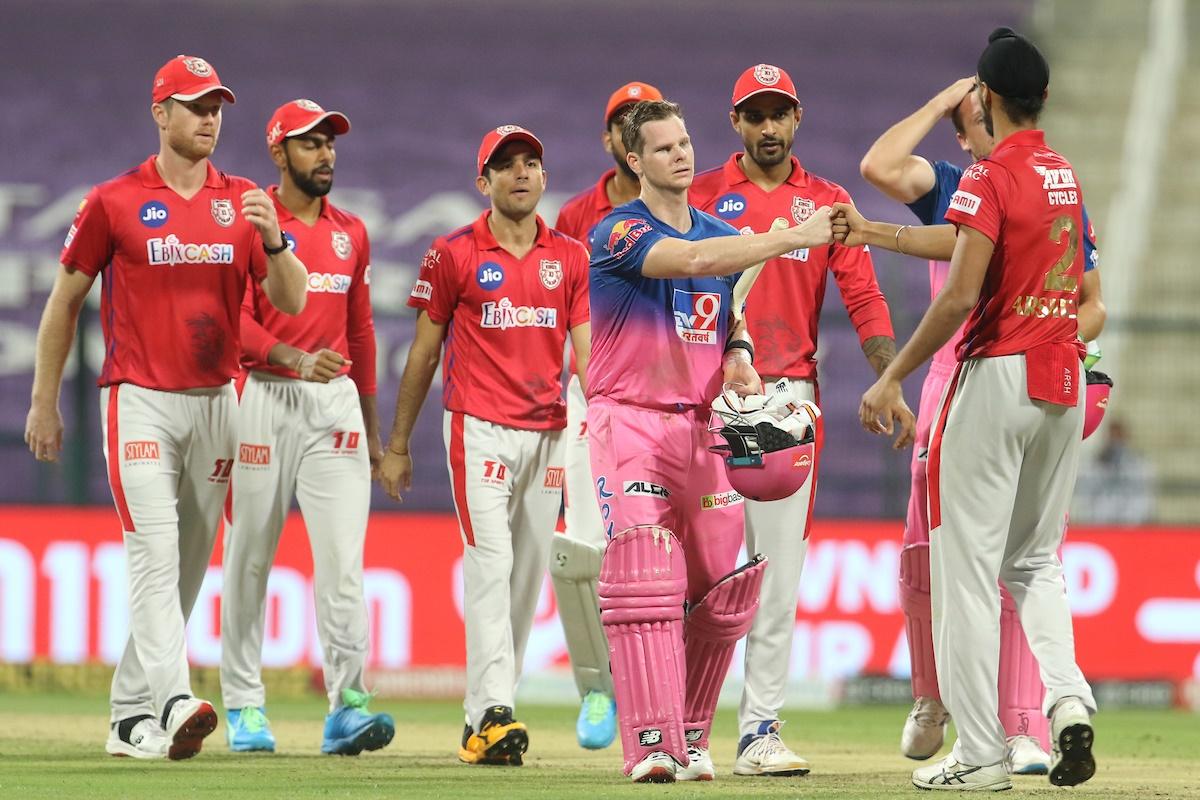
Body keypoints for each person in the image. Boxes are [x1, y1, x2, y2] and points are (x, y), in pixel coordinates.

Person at [23, 55, 308, 760]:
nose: (209, 118)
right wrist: (44, 402)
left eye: (216, 107)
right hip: (139, 399)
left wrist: (273, 237)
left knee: (184, 566)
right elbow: (64, 302)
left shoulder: (242, 199)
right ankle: (176, 697)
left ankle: (127, 717)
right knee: (152, 553)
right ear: (160, 113)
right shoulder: (114, 201)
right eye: (193, 105)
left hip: (217, 402)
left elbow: (293, 300)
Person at [858, 28, 1099, 791]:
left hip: (996, 375)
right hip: (1062, 380)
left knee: (963, 569)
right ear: (1045, 98)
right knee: (1033, 562)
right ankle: (1068, 707)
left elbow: (962, 293)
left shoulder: (987, 177)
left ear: (986, 99)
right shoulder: (1065, 175)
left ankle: (983, 753)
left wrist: (892, 373)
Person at [587, 98, 833, 783]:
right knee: (646, 577)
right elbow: (692, 259)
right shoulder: (618, 233)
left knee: (721, 591)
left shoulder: (718, 231)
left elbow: (730, 312)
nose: (682, 155)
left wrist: (741, 354)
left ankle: (692, 740)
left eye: (686, 142)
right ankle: (649, 744)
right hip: (629, 421)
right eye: (664, 148)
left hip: (702, 426)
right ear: (634, 162)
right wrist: (791, 236)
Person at [689, 63, 895, 777]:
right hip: (713, 397)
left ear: (798, 118)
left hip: (791, 401)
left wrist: (890, 377)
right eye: (756, 114)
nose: (768, 127)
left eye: (779, 114)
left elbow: (863, 297)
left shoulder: (828, 201)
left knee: (776, 575)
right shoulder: (703, 194)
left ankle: (759, 731)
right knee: (704, 575)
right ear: (736, 122)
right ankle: (683, 726)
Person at [378, 125, 591, 767]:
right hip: (479, 427)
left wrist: (604, 421)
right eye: (506, 166)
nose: (520, 174)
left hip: (549, 431)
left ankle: (487, 717)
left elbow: (587, 354)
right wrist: (397, 443)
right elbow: (422, 351)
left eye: (531, 163)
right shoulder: (453, 253)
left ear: (544, 178)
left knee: (526, 580)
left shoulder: (571, 258)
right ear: (484, 182)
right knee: (490, 565)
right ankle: (494, 709)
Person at [219, 99, 394, 756]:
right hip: (264, 396)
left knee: (344, 566)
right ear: (278, 152)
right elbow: (232, 321)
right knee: (251, 557)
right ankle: (243, 704)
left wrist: (376, 434)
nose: (325, 155)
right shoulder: (253, 222)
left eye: (330, 143)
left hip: (335, 408)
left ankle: (348, 706)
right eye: (310, 144)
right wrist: (289, 356)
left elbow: (361, 333)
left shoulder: (353, 231)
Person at [552, 79, 663, 751]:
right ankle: (598, 690)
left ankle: (658, 689)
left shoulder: (685, 207)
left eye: (644, 122)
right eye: (624, 124)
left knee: (658, 552)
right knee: (582, 551)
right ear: (611, 140)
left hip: (667, 400)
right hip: (593, 397)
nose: (633, 134)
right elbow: (563, 312)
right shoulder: (576, 216)